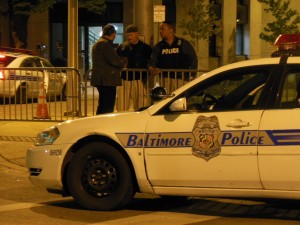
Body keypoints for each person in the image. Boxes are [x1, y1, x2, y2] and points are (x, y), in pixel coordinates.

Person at [148, 21, 198, 93]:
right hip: (165, 80)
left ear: (171, 30)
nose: (160, 31)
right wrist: (151, 68)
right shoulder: (159, 46)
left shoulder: (182, 43)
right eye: (160, 29)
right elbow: (152, 60)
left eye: (163, 29)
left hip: (182, 80)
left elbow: (193, 58)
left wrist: (192, 75)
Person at [116, 25, 152, 111]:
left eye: (131, 35)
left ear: (137, 34)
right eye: (127, 35)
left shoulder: (145, 47)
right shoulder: (122, 47)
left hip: (139, 79)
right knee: (122, 105)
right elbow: (117, 59)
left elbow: (150, 61)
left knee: (141, 105)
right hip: (125, 79)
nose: (129, 37)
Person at [91, 24, 123, 114]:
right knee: (108, 105)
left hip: (101, 79)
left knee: (102, 104)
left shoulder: (98, 43)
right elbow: (115, 60)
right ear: (113, 34)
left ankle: (98, 123)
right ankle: (104, 124)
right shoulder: (105, 44)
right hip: (107, 80)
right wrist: (122, 63)